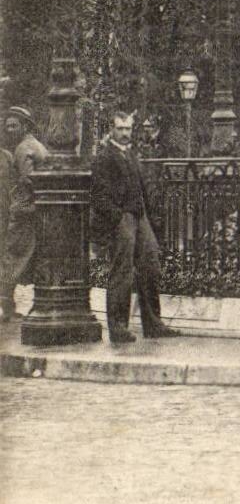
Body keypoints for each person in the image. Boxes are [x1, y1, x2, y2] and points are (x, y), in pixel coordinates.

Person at [91, 110, 176, 344]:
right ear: (111, 130)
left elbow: (141, 187)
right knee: (122, 271)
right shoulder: (104, 158)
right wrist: (117, 217)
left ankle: (153, 324)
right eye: (120, 128)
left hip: (139, 217)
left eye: (128, 128)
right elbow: (98, 194)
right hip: (122, 218)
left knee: (150, 265)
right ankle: (118, 327)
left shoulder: (131, 154)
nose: (125, 133)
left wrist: (148, 215)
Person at [1, 107, 48, 321]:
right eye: (7, 126)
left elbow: (29, 180)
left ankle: (5, 307)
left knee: (13, 257)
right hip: (35, 210)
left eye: (14, 126)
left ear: (25, 126)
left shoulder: (22, 148)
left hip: (25, 211)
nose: (10, 130)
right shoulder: (36, 146)